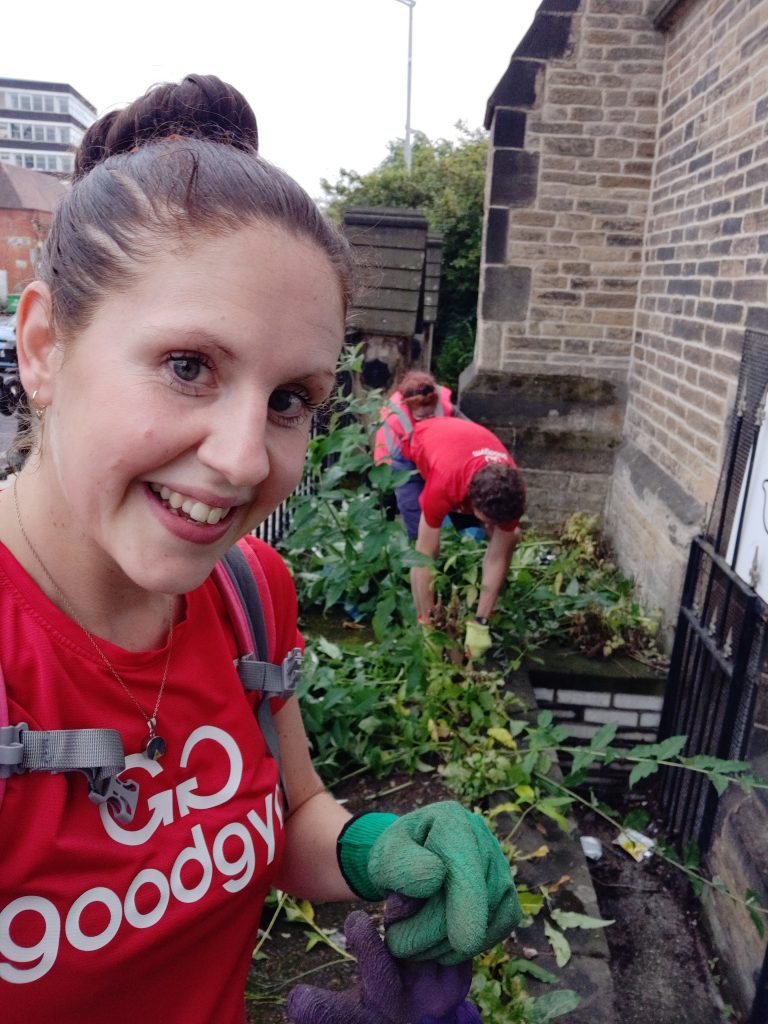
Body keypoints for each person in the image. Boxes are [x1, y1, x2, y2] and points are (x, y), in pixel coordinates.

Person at [0, 75, 520, 1023]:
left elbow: (285, 817)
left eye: (290, 400)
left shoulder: (247, 590)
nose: (244, 460)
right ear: (44, 346)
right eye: (189, 366)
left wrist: (376, 849)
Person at [399, 417, 526, 658]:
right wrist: (430, 626)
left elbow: (498, 556)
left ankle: (472, 618)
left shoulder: (512, 491)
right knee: (421, 541)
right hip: (413, 456)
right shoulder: (445, 483)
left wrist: (481, 623)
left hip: (461, 451)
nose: (491, 525)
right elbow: (424, 556)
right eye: (487, 519)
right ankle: (422, 624)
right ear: (470, 501)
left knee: (511, 536)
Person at [373, 370, 456, 539]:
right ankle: (414, 543)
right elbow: (393, 462)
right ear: (408, 406)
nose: (426, 420)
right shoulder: (395, 417)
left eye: (430, 414)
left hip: (431, 451)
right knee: (407, 503)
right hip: (397, 456)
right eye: (421, 417)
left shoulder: (444, 404)